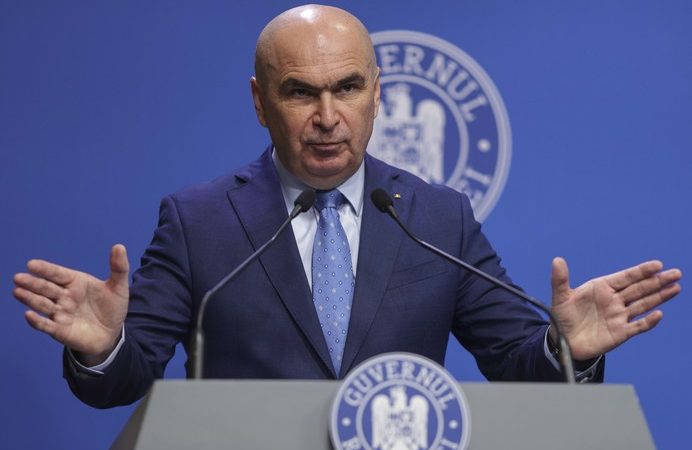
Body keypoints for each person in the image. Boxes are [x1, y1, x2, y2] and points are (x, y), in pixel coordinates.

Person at [12, 5, 681, 408]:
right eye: (301, 92)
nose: (329, 117)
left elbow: (517, 365)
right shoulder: (199, 222)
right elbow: (122, 382)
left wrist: (567, 349)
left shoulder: (437, 218)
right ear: (260, 102)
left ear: (377, 94)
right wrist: (103, 350)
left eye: (349, 88)